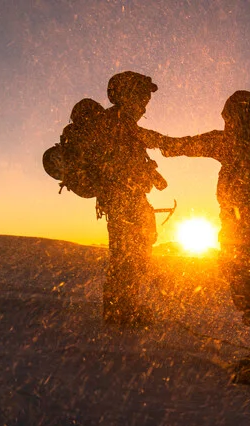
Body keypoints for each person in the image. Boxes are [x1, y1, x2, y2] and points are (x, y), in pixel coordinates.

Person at [161, 90, 250, 387]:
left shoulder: (234, 141)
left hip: (245, 233)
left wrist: (166, 145)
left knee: (249, 296)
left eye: (230, 117)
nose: (227, 122)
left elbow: (192, 144)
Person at [94, 71, 169, 327]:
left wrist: (151, 173)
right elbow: (130, 151)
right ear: (128, 95)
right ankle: (121, 313)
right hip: (124, 200)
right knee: (129, 256)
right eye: (142, 97)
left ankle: (122, 308)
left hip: (126, 199)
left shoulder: (116, 122)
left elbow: (131, 153)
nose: (145, 104)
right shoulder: (116, 121)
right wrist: (166, 143)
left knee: (130, 255)